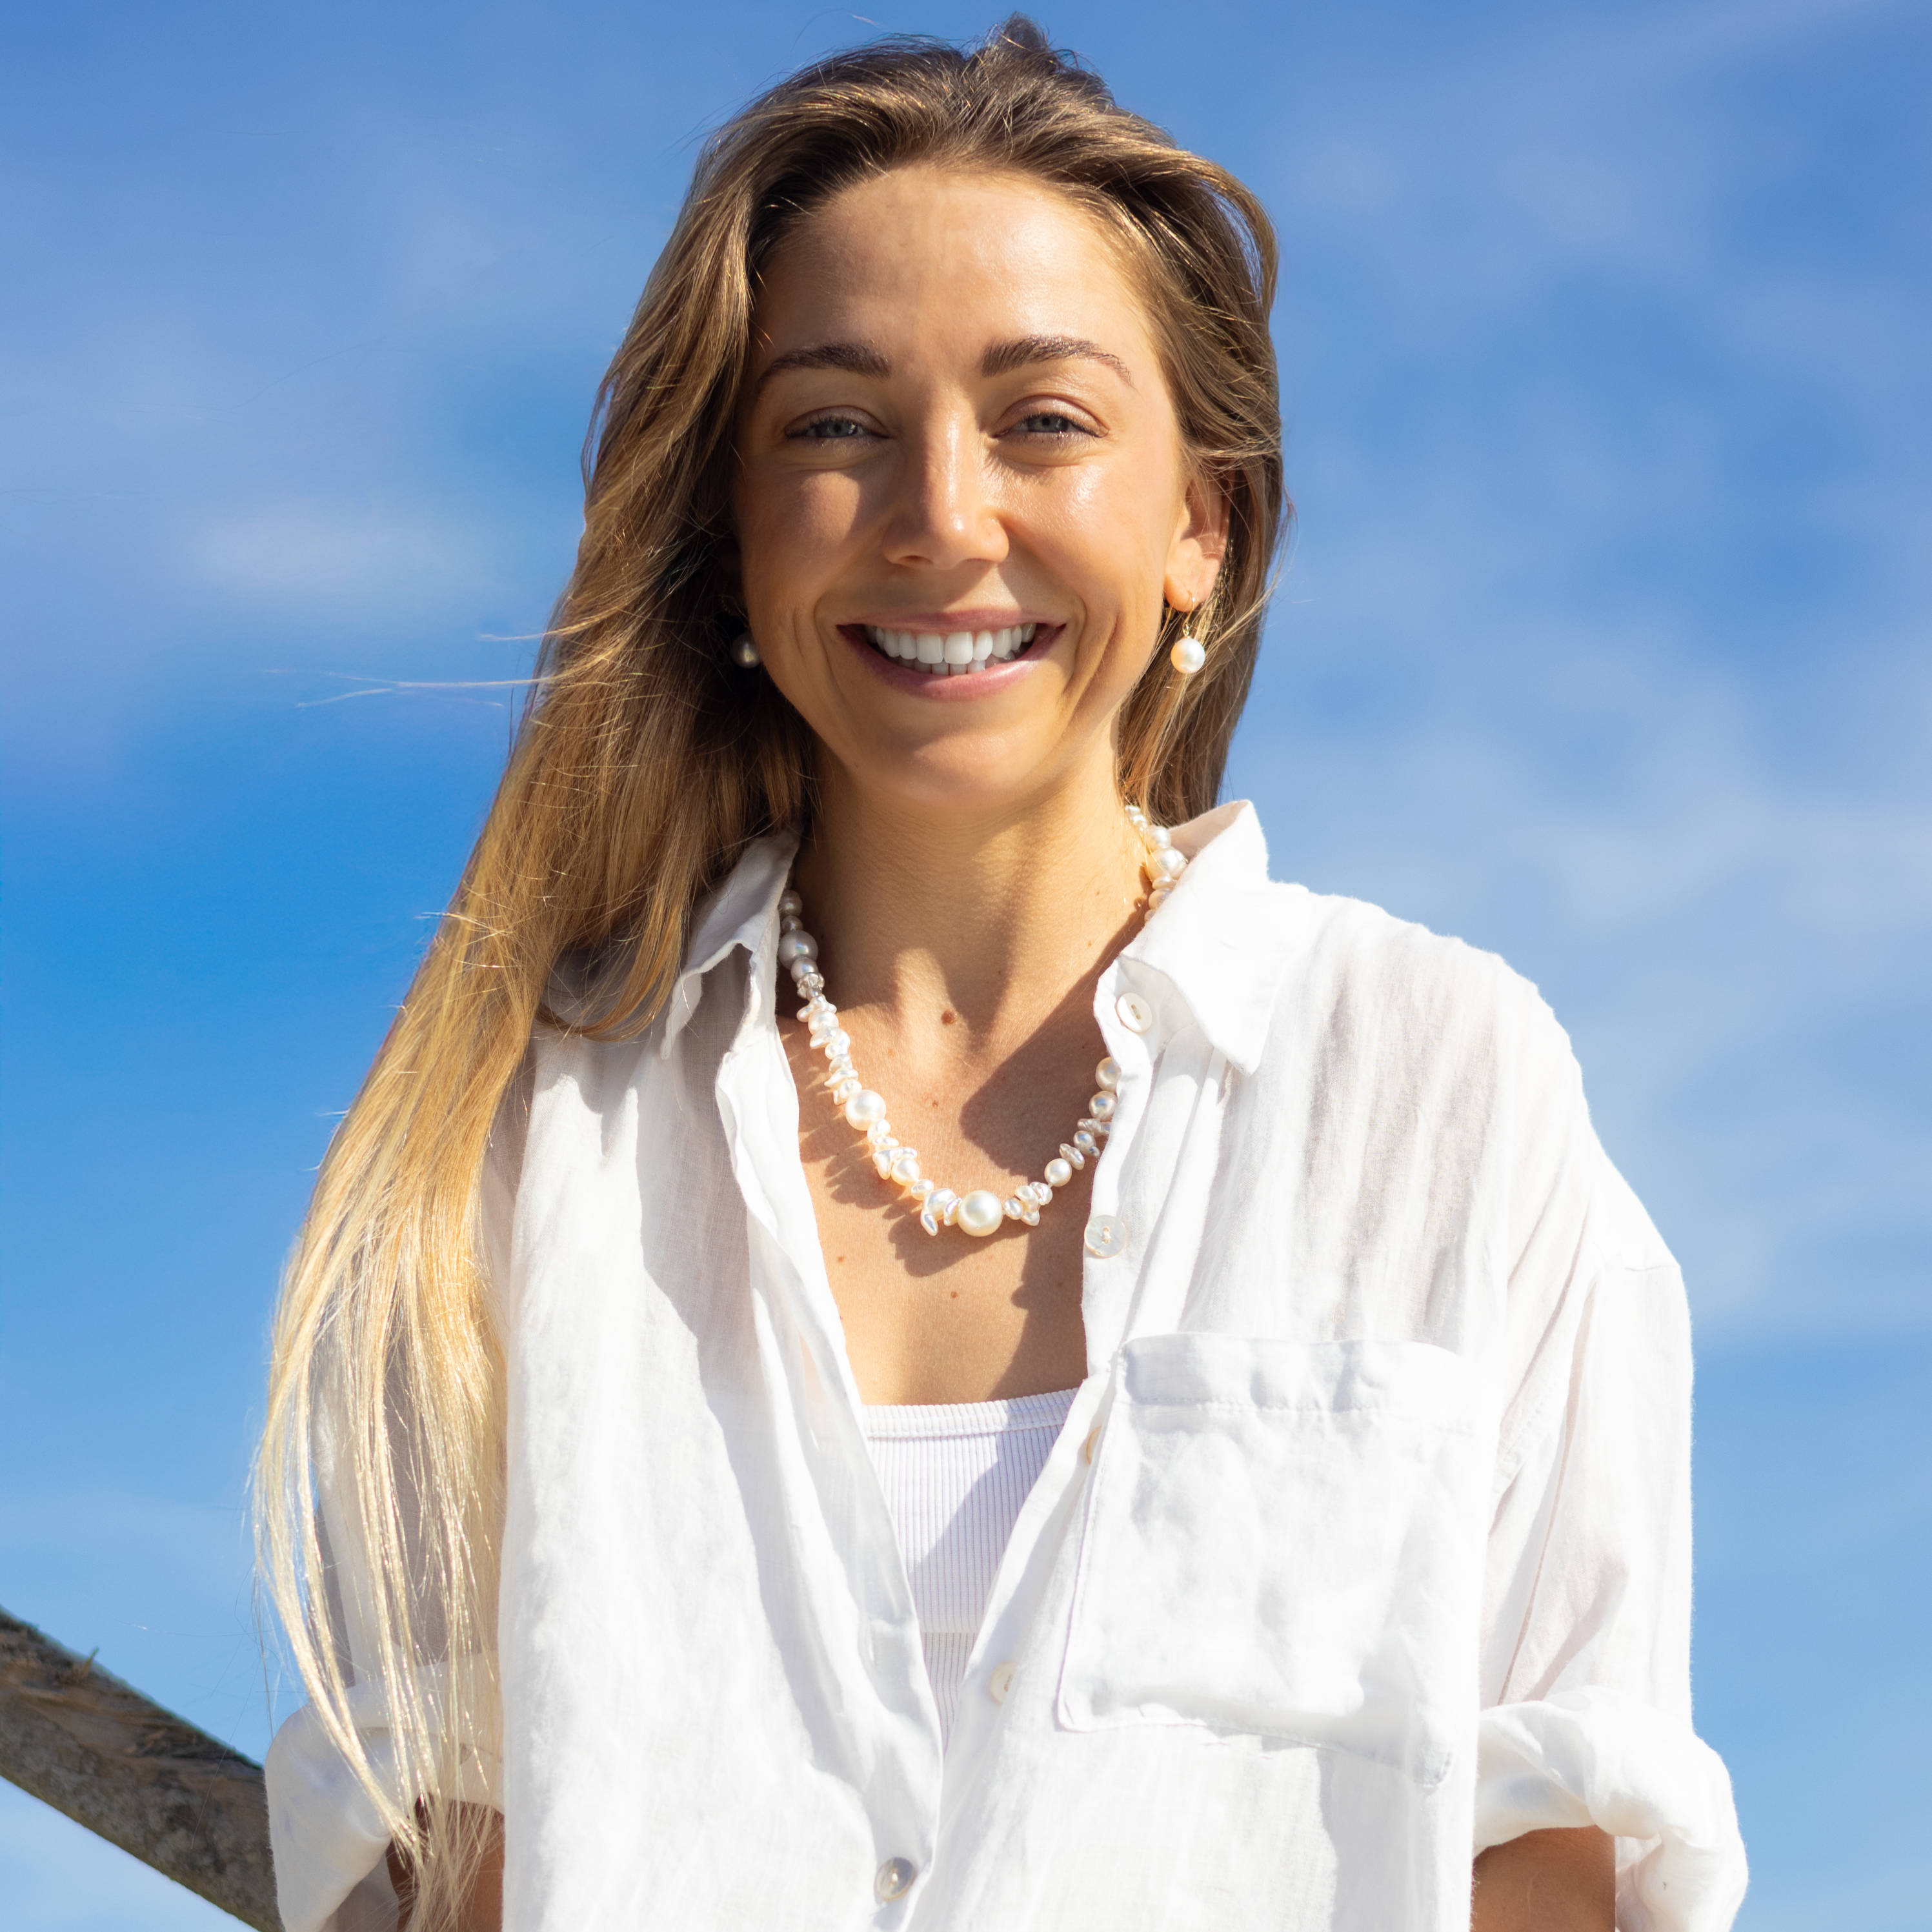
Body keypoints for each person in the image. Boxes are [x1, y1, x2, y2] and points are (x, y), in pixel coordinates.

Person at [257, 19, 1747, 1932]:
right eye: (833, 425)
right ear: (728, 536)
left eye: (1043, 419)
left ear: (1201, 523)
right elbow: (444, 1862)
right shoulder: (529, 1139)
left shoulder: (1436, 1082)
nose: (944, 516)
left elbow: (1555, 1850)